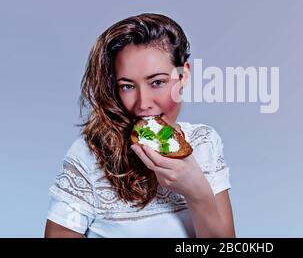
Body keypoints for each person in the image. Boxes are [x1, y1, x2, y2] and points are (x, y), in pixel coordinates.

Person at [44, 13, 235, 238]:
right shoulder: (89, 155)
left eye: (157, 82)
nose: (143, 104)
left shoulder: (205, 143)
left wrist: (197, 192)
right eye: (127, 86)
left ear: (183, 76)